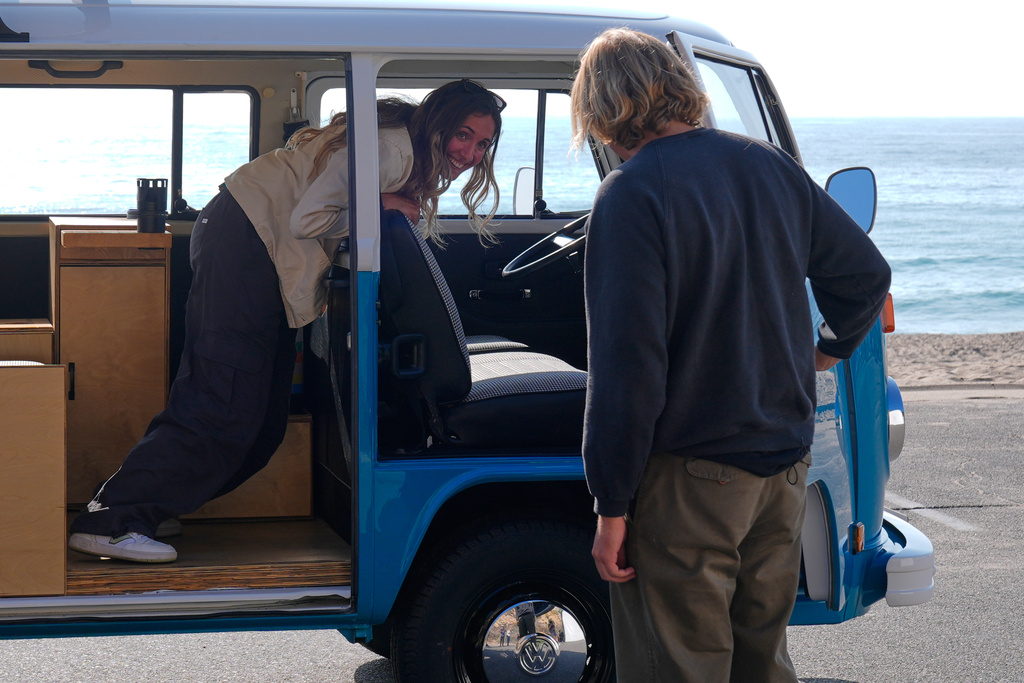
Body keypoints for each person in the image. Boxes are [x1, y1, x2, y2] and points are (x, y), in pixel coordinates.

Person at [67, 79, 505, 563]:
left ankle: (146, 504)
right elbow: (307, 220)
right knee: (224, 396)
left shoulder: (407, 148)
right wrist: (380, 207)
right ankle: (110, 520)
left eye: (482, 143)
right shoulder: (392, 150)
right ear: (438, 123)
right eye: (462, 135)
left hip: (253, 242)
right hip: (248, 240)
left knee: (262, 422)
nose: (470, 152)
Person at [571, 29, 891, 682]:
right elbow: (865, 275)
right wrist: (823, 352)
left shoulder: (630, 194)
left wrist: (610, 503)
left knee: (679, 667)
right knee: (761, 662)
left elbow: (628, 371)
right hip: (781, 470)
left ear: (605, 111)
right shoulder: (769, 165)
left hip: (692, 479)